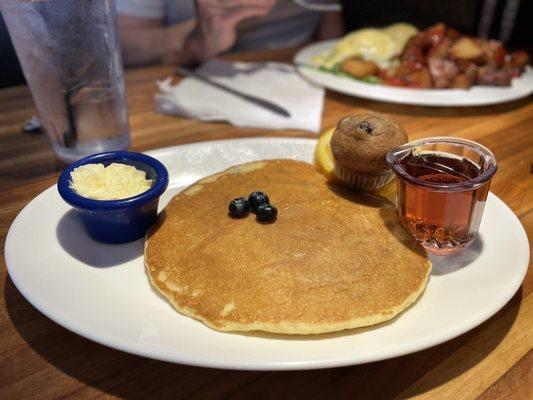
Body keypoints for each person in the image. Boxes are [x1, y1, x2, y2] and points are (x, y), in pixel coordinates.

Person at [117, 0, 344, 67]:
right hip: (187, 76)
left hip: (304, 73)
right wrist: (194, 43)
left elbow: (331, 20)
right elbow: (122, 47)